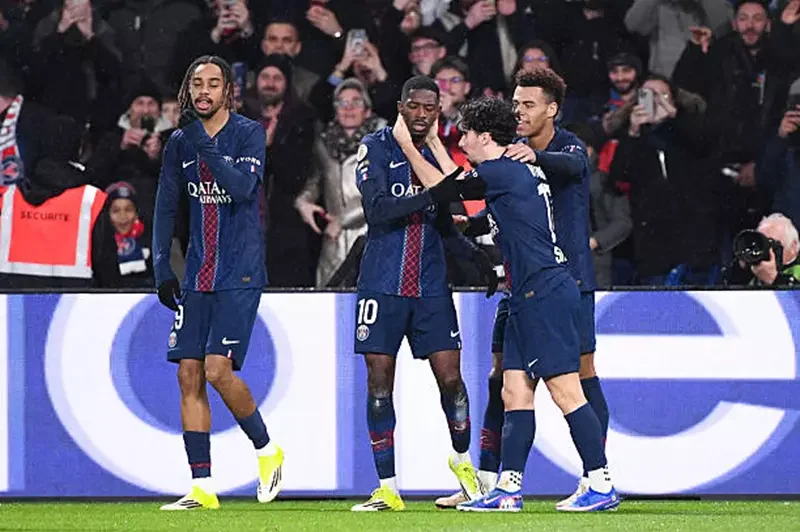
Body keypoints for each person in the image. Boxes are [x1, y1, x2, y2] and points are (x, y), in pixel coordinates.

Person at [396, 95, 619, 513]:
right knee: (514, 390)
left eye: (465, 134)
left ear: (485, 137)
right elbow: (468, 190)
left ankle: (601, 483)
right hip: (525, 294)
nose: (461, 141)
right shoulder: (509, 171)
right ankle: (509, 489)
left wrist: (410, 145)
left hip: (545, 292)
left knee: (566, 391)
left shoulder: (501, 170)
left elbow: (444, 190)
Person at [350, 75, 497, 512]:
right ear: (400, 106)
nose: (420, 114)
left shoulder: (438, 155)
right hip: (381, 284)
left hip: (431, 286)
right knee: (380, 384)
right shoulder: (375, 147)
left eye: (428, 108)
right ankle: (388, 488)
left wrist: (477, 258)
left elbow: (445, 223)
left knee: (452, 382)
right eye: (413, 106)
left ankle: (463, 466)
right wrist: (434, 194)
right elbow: (377, 210)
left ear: (438, 111)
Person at [152, 55, 283, 511]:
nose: (203, 91)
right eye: (196, 84)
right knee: (187, 373)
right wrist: (162, 267)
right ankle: (202, 487)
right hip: (198, 273)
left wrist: (203, 145)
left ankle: (267, 450)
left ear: (228, 90)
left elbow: (242, 188)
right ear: (188, 90)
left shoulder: (248, 133)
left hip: (239, 272)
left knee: (216, 370)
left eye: (213, 83)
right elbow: (166, 205)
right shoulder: (178, 142)